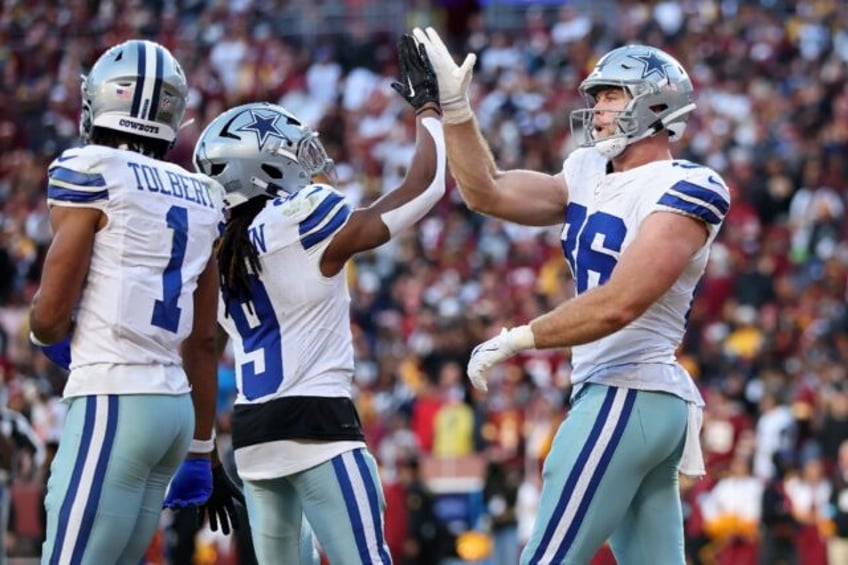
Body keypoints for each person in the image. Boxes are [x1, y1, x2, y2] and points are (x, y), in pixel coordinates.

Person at [413, 27, 731, 564]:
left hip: (628, 390)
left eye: (611, 96)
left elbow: (620, 302)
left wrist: (518, 339)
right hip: (624, 397)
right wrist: (456, 110)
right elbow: (485, 190)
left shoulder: (687, 185)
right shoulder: (586, 170)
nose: (599, 109)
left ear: (656, 104)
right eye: (598, 98)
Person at [191, 33, 445, 564]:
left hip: (253, 435)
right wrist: (430, 110)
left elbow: (202, 346)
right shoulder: (302, 218)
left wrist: (204, 451)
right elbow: (425, 187)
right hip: (318, 424)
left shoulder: (218, 252)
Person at [28, 39, 239, 564]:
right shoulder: (204, 194)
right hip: (173, 413)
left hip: (114, 397)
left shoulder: (92, 168)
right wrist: (201, 447)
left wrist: (47, 338)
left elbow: (51, 315)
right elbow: (205, 338)